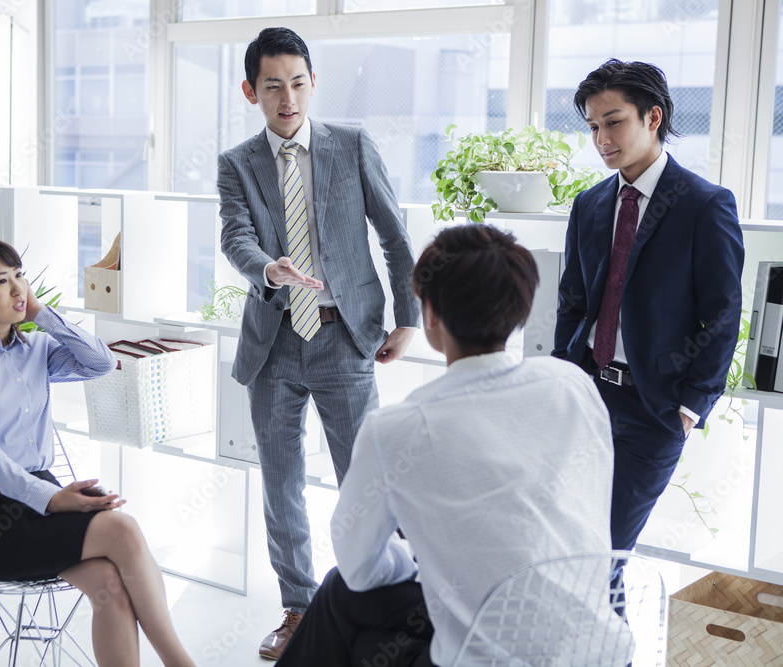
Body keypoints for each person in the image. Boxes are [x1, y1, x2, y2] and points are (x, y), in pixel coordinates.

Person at [276, 224, 630, 666]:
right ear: (521, 309)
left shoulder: (398, 429)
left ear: (431, 319)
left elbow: (360, 568)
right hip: (601, 651)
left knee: (349, 608)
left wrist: (421, 557)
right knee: (343, 596)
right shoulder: (572, 385)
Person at [217, 26, 421, 658]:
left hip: (343, 338)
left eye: (299, 83)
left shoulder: (352, 147)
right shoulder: (237, 163)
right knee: (280, 484)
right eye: (273, 86)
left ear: (313, 84)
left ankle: (382, 603)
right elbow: (235, 236)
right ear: (251, 90)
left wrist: (407, 316)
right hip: (273, 339)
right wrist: (267, 270)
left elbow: (393, 234)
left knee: (366, 480)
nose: (288, 98)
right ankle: (299, 609)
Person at [0, 236, 195, 667]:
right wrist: (51, 498)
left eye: (19, 276)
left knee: (109, 582)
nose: (18, 290)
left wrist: (43, 315)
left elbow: (101, 363)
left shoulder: (37, 349)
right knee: (121, 531)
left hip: (44, 502)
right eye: (1, 281)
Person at [553, 59, 744, 559]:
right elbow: (572, 301)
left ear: (652, 118)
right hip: (585, 398)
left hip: (652, 410)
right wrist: (563, 379)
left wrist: (688, 408)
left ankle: (605, 638)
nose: (601, 139)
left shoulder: (705, 205)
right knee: (566, 546)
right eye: (593, 126)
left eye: (613, 122)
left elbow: (723, 316)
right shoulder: (589, 204)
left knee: (608, 553)